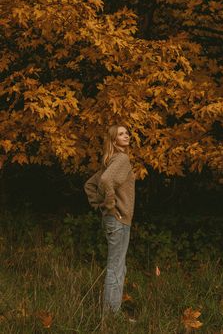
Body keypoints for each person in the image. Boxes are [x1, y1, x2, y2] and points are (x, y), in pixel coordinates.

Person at [84, 125, 136, 315]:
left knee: (118, 266)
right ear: (114, 141)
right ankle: (110, 316)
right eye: (121, 134)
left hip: (113, 220)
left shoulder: (111, 161)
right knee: (116, 268)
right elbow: (105, 180)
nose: (126, 136)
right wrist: (110, 205)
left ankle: (111, 312)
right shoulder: (122, 159)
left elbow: (90, 185)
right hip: (118, 220)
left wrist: (101, 205)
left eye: (127, 133)